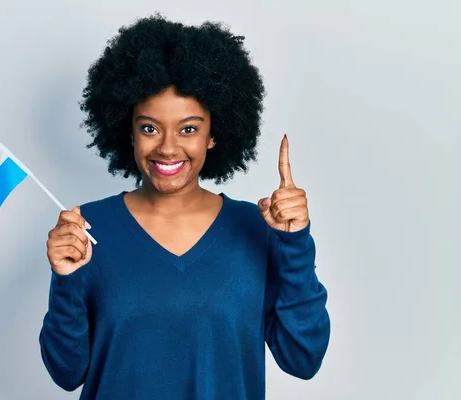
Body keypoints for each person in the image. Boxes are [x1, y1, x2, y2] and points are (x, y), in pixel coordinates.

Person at [39, 14, 330, 400]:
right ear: (129, 131)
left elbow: (303, 359)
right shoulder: (86, 229)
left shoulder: (257, 228)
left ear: (213, 135)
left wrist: (294, 244)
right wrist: (66, 280)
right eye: (149, 127)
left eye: (189, 128)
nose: (168, 147)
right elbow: (66, 372)